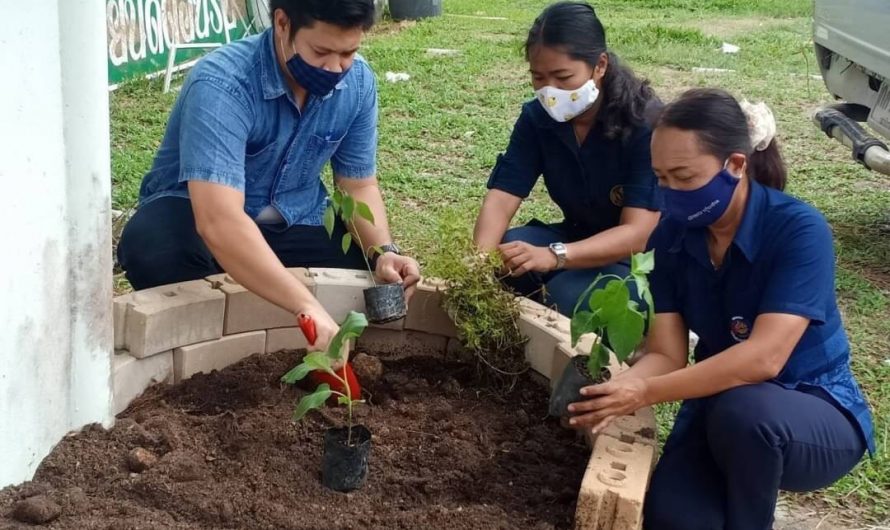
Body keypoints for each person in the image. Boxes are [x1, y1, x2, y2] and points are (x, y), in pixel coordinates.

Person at [566, 88, 875, 530]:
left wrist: (647, 393)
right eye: (661, 178)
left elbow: (764, 359)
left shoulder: (798, 230)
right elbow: (667, 354)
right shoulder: (669, 238)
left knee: (747, 413)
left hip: (813, 410)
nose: (669, 193)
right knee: (671, 519)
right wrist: (618, 392)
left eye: (684, 177)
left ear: (735, 165)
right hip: (720, 410)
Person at [117, 0, 420, 354]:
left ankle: (290, 341)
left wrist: (383, 251)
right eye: (321, 51)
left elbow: (357, 185)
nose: (336, 68)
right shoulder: (222, 84)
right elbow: (219, 220)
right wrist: (305, 304)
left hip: (295, 215)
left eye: (348, 53)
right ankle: (212, 356)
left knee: (358, 278)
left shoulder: (358, 83)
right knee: (157, 252)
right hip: (194, 211)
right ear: (282, 23)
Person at [473, 1, 662, 316]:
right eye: (538, 78)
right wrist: (477, 264)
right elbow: (503, 196)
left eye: (562, 76)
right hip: (578, 236)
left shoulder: (645, 124)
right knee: (507, 252)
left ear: (599, 66)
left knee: (567, 296)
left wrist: (554, 255)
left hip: (640, 259)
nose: (550, 91)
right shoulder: (537, 119)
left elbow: (638, 234)